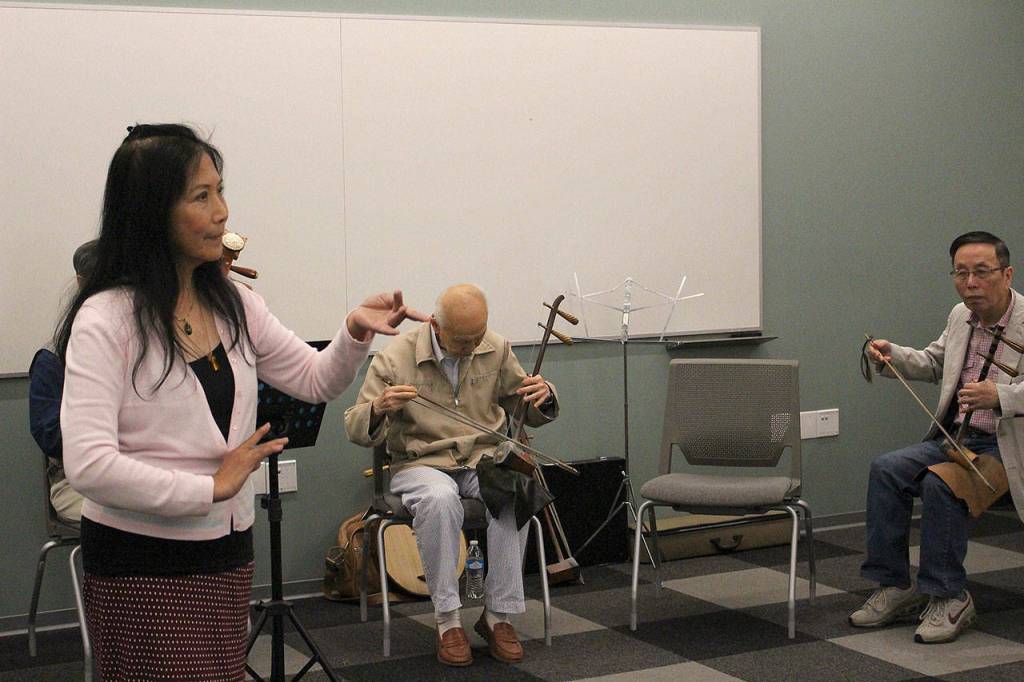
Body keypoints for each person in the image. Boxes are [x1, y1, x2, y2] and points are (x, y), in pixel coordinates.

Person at [57, 123, 426, 681]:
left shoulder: (233, 301)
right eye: (201, 196)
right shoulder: (105, 319)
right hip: (141, 561)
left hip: (226, 550)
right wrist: (210, 486)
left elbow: (313, 378)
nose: (222, 212)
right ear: (153, 212)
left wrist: (353, 332)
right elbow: (88, 465)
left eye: (221, 191)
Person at [345, 283, 559, 667]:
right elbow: (356, 426)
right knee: (441, 500)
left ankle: (498, 616)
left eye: (478, 336)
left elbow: (522, 406)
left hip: (482, 458)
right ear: (435, 325)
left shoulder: (494, 346)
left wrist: (543, 395)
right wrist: (379, 407)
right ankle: (448, 620)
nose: (472, 347)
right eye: (462, 340)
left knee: (517, 491)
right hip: (421, 463)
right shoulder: (395, 357)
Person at [852, 231, 1023, 644]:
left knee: (941, 483)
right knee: (887, 469)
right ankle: (894, 586)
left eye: (981, 272)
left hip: (1005, 447)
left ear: (1006, 273)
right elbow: (934, 363)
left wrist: (1000, 396)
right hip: (956, 438)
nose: (970, 283)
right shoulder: (959, 316)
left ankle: (949, 595)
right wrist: (893, 355)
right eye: (961, 273)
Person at [29, 240, 97, 527]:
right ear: (82, 284)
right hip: (79, 480)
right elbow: (51, 436)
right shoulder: (53, 358)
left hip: (143, 471)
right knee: (132, 517)